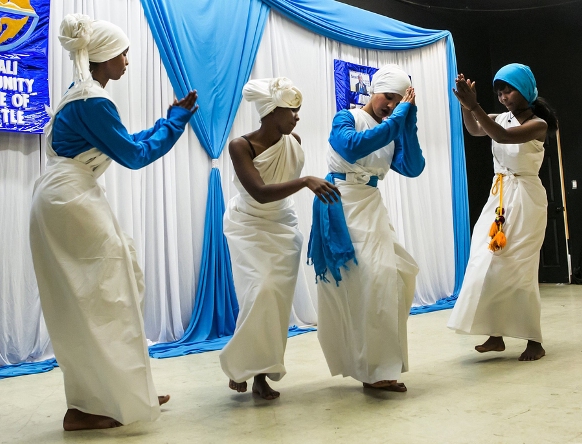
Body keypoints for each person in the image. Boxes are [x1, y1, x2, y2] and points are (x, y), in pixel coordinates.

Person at [29, 14, 197, 431]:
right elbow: (134, 155)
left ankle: (123, 390)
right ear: (104, 57)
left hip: (67, 195)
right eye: (123, 54)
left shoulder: (83, 96)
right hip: (70, 199)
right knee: (104, 296)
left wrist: (167, 122)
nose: (126, 61)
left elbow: (124, 143)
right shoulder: (92, 101)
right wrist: (175, 122)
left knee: (110, 290)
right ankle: (87, 406)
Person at [219, 77, 340, 400]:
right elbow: (259, 193)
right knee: (258, 292)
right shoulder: (240, 146)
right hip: (248, 225)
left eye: (298, 111)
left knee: (275, 301)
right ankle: (241, 364)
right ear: (271, 111)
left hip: (282, 227)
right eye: (291, 111)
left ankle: (261, 374)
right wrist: (305, 181)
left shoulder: (293, 140)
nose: (297, 117)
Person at [308, 64, 425, 392]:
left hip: (370, 204)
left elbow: (413, 167)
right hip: (343, 203)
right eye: (388, 96)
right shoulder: (346, 118)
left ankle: (375, 363)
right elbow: (352, 147)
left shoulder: (392, 127)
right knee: (372, 283)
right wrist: (397, 119)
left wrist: (408, 121)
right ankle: (375, 370)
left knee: (399, 275)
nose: (391, 104)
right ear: (373, 91)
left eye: (399, 100)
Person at [447, 63, 557, 361]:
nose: (503, 96)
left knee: (519, 268)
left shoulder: (538, 125)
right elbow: (475, 129)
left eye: (509, 90)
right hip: (499, 196)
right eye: (499, 92)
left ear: (526, 91)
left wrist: (475, 106)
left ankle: (534, 340)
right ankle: (496, 336)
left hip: (526, 198)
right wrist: (465, 106)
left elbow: (503, 136)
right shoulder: (500, 117)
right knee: (487, 261)